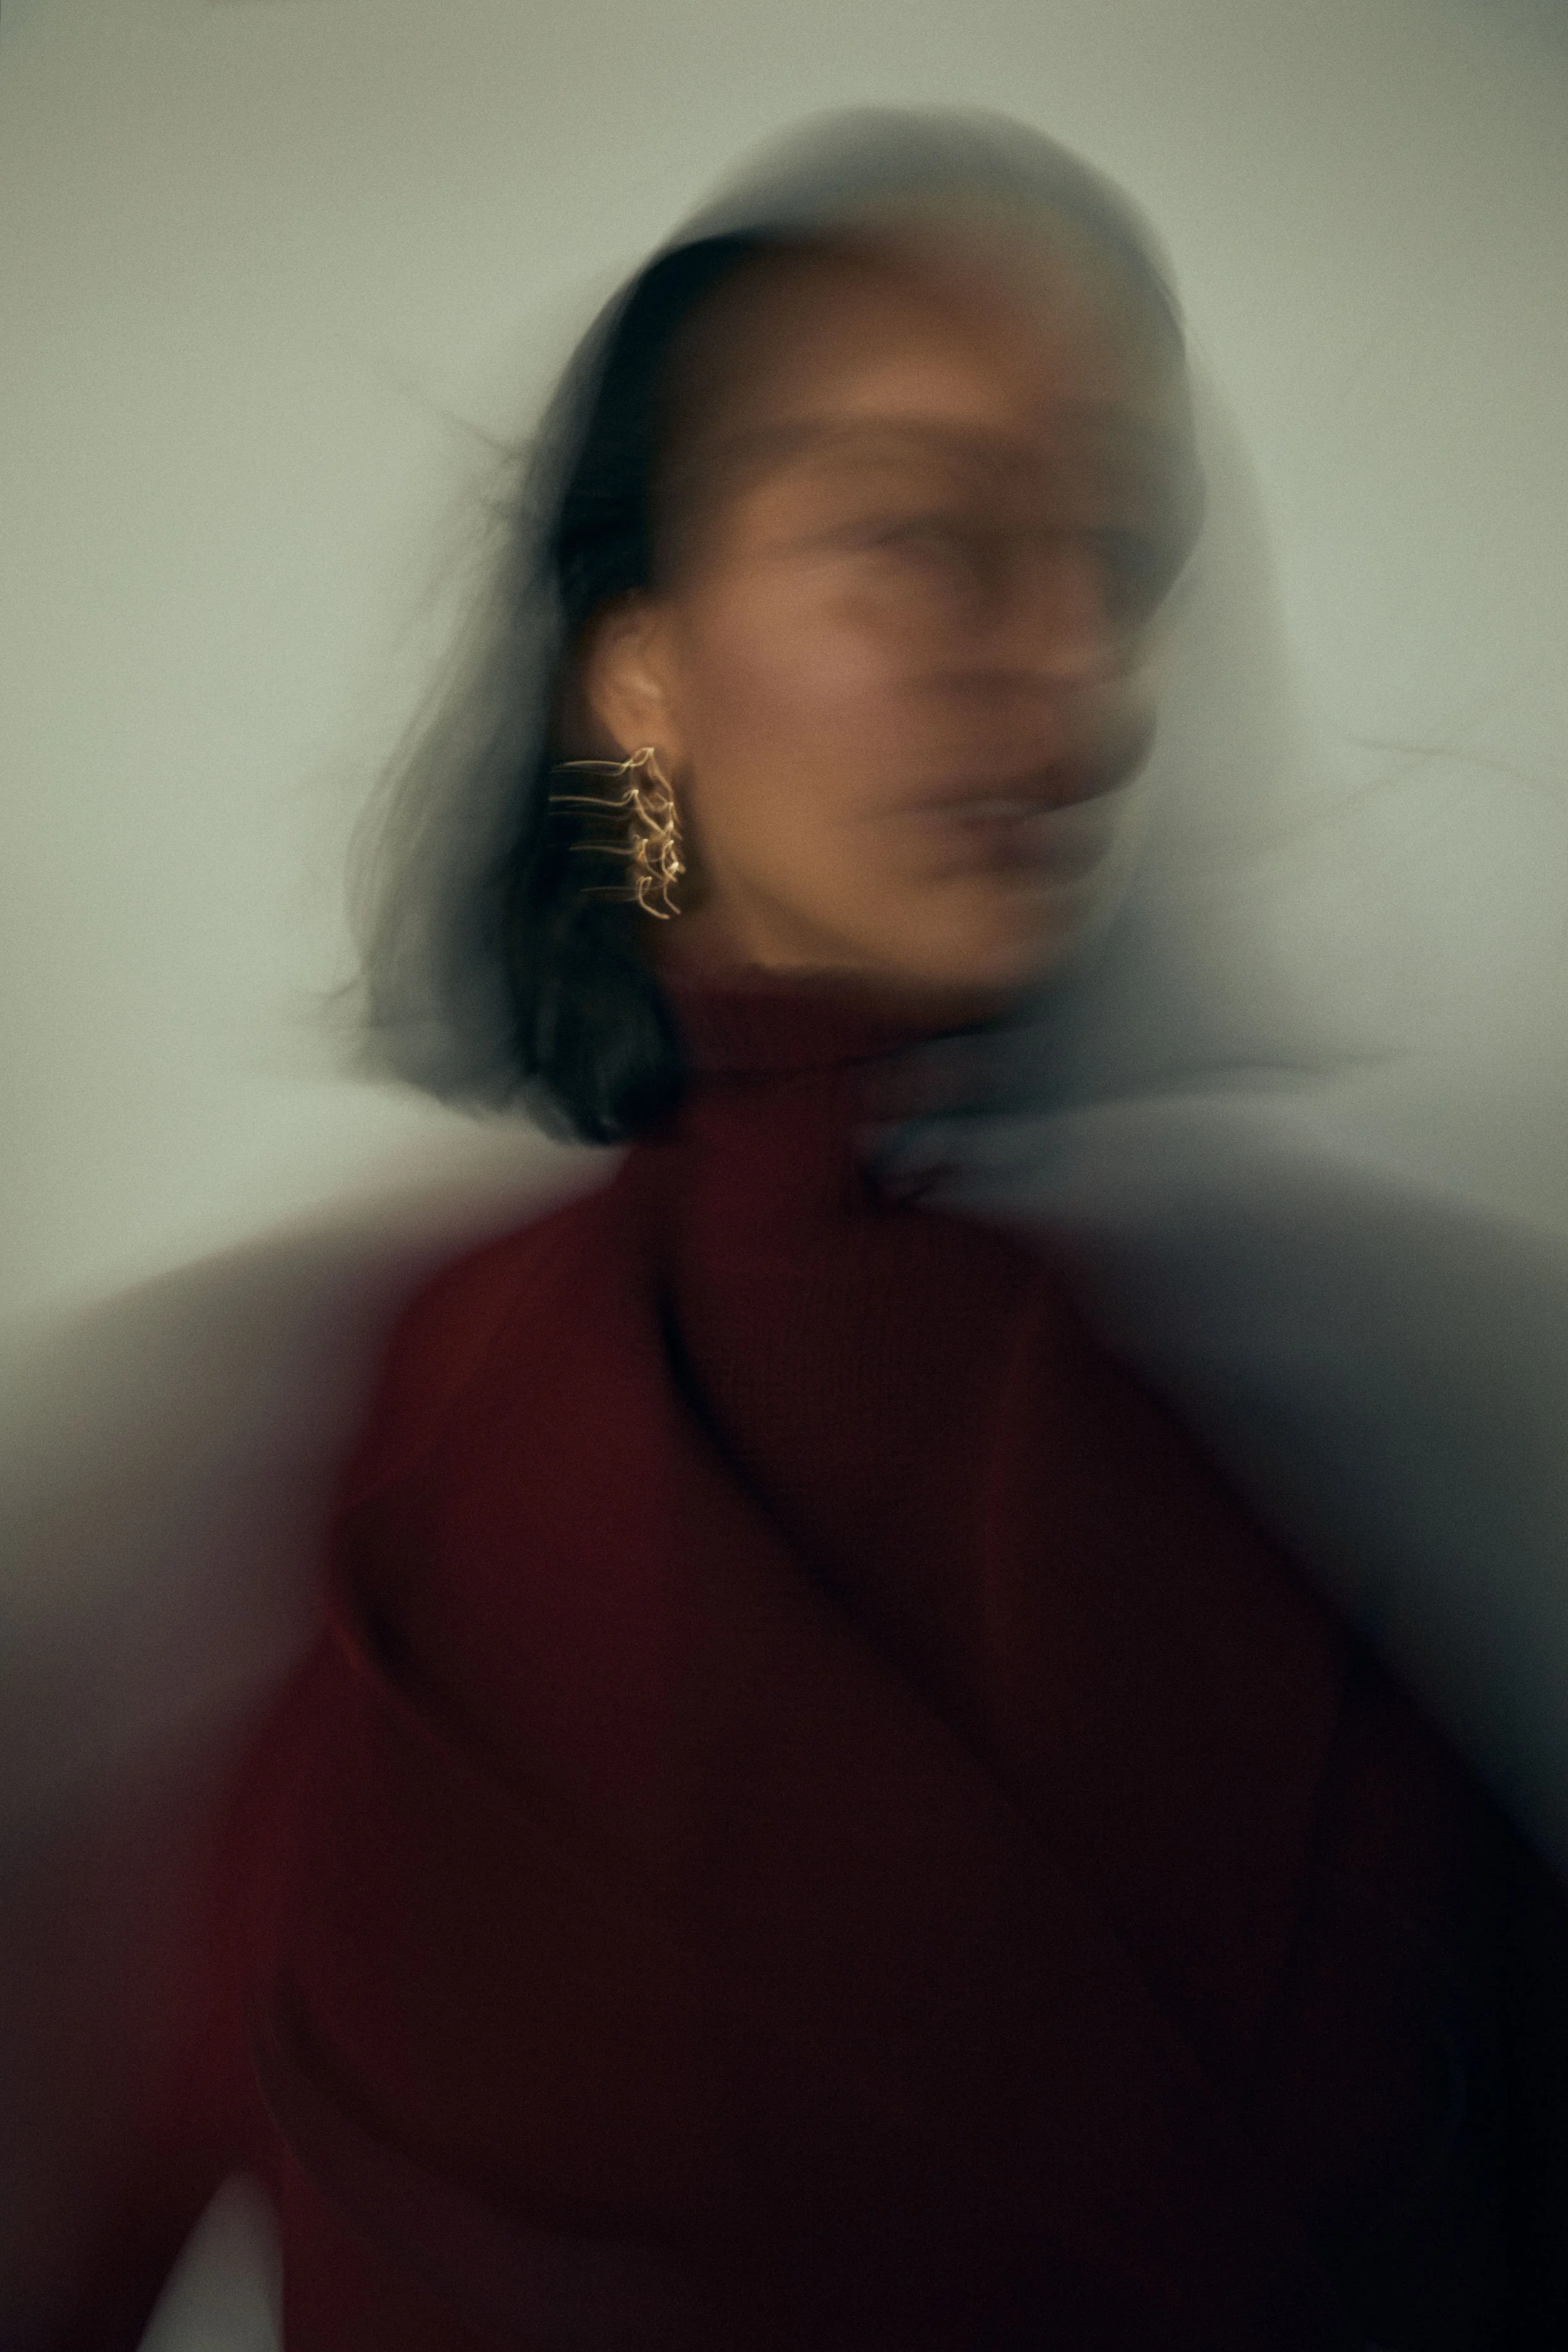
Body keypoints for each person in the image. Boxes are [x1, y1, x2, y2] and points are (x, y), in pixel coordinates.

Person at [36, 109, 1568, 2351]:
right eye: (924, 538)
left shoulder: (1347, 1429)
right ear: (640, 679)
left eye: (1108, 556)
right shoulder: (308, 1483)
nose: (1075, 669)